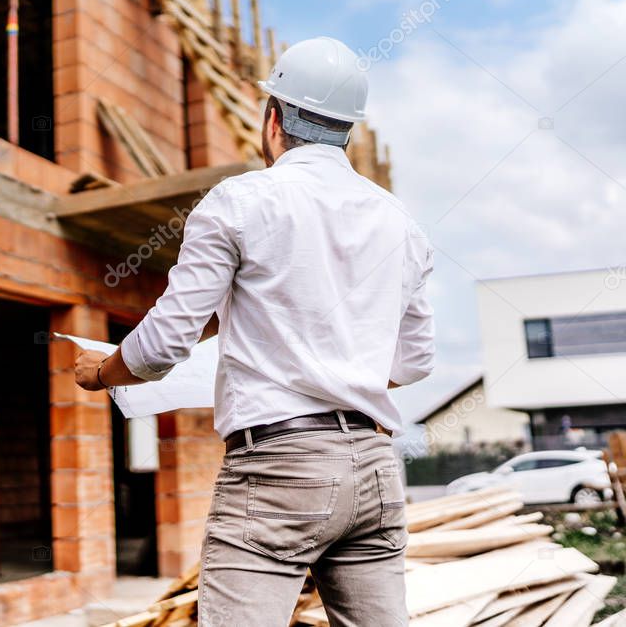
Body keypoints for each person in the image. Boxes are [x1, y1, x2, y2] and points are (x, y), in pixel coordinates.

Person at [74, 36, 435, 626]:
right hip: (374, 465)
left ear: (273, 120)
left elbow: (164, 344)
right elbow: (414, 362)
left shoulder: (242, 201)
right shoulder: (400, 221)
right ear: (347, 132)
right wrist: (338, 370)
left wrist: (103, 371)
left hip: (278, 467)